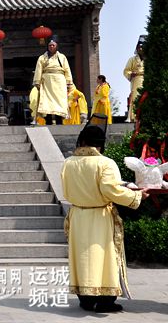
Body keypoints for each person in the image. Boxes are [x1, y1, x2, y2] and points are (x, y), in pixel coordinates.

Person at [62, 123, 149, 313]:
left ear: (83, 141)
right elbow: (111, 190)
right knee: (103, 256)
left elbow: (67, 191)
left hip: (78, 215)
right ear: (100, 144)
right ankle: (104, 300)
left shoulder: (68, 163)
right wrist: (137, 196)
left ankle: (85, 298)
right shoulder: (105, 163)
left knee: (83, 257)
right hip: (99, 216)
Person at [33, 36, 73, 125]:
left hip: (59, 81)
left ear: (56, 46)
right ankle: (48, 120)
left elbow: (67, 69)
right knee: (47, 101)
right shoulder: (42, 58)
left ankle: (59, 120)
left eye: (53, 45)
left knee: (59, 101)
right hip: (47, 81)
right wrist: (37, 82)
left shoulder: (62, 57)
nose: (51, 47)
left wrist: (69, 82)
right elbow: (39, 69)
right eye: (50, 45)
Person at [123, 36, 146, 122]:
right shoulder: (132, 59)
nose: (141, 49)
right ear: (137, 48)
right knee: (136, 97)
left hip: (146, 80)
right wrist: (131, 73)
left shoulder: (148, 58)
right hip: (136, 80)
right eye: (139, 47)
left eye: (142, 47)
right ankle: (134, 116)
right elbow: (126, 71)